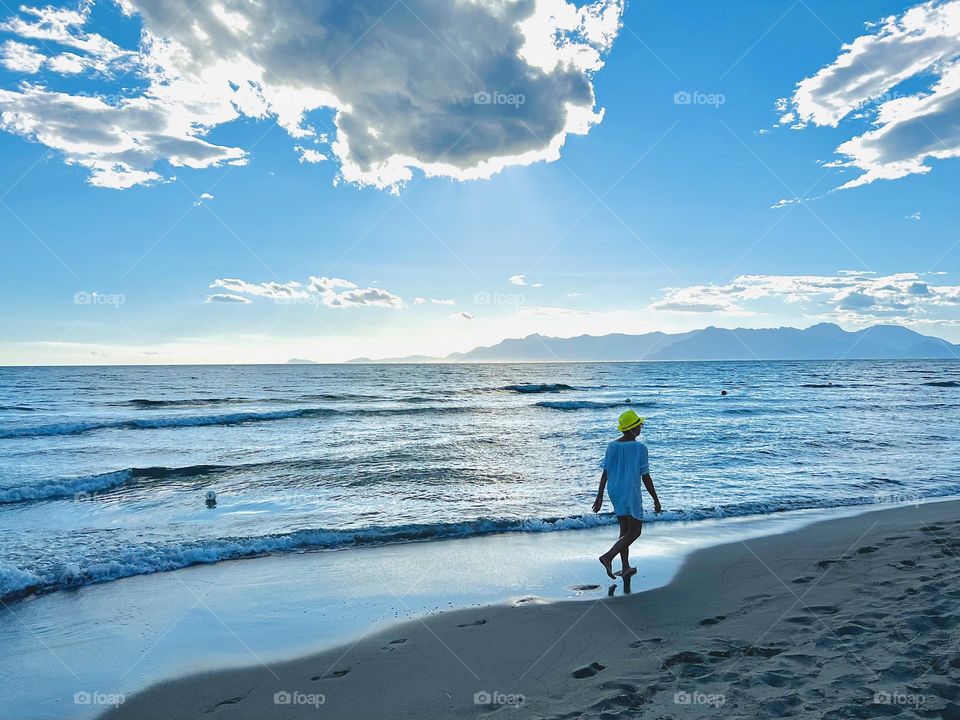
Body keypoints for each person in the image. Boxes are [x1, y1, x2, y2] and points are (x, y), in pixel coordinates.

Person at [592, 409, 662, 579]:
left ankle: (625, 567)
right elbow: (645, 476)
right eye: (639, 425)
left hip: (614, 491)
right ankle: (608, 557)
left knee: (624, 530)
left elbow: (605, 472)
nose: (641, 427)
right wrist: (656, 499)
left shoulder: (612, 446)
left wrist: (599, 495)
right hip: (630, 491)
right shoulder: (640, 448)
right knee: (635, 530)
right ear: (633, 428)